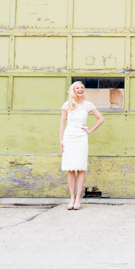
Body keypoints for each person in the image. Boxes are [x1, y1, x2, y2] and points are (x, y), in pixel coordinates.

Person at [59, 81, 104, 210]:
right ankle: (71, 198)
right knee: (70, 169)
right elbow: (62, 123)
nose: (80, 89)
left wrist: (90, 130)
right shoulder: (67, 105)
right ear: (73, 90)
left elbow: (100, 119)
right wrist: (60, 139)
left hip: (81, 138)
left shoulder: (88, 105)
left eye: (82, 88)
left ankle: (78, 198)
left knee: (81, 168)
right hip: (69, 137)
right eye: (77, 88)